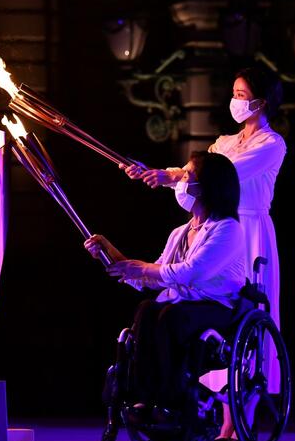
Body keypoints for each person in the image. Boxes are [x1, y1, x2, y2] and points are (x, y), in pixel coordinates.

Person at [122, 67, 285, 438]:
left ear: (261, 100)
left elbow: (222, 175)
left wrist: (168, 175)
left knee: (246, 318)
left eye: (242, 94)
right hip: (214, 220)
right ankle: (181, 401)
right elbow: (199, 174)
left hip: (248, 229)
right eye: (235, 92)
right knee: (173, 309)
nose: (236, 101)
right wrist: (158, 174)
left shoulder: (272, 144)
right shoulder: (223, 141)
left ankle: (235, 420)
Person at [85, 152, 246, 425]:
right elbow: (155, 275)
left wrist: (142, 269)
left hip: (216, 307)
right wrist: (111, 254)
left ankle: (171, 401)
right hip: (181, 305)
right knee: (147, 308)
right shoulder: (180, 233)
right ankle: (144, 398)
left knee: (168, 315)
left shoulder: (228, 229)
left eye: (187, 176)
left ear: (208, 187)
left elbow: (190, 273)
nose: (181, 182)